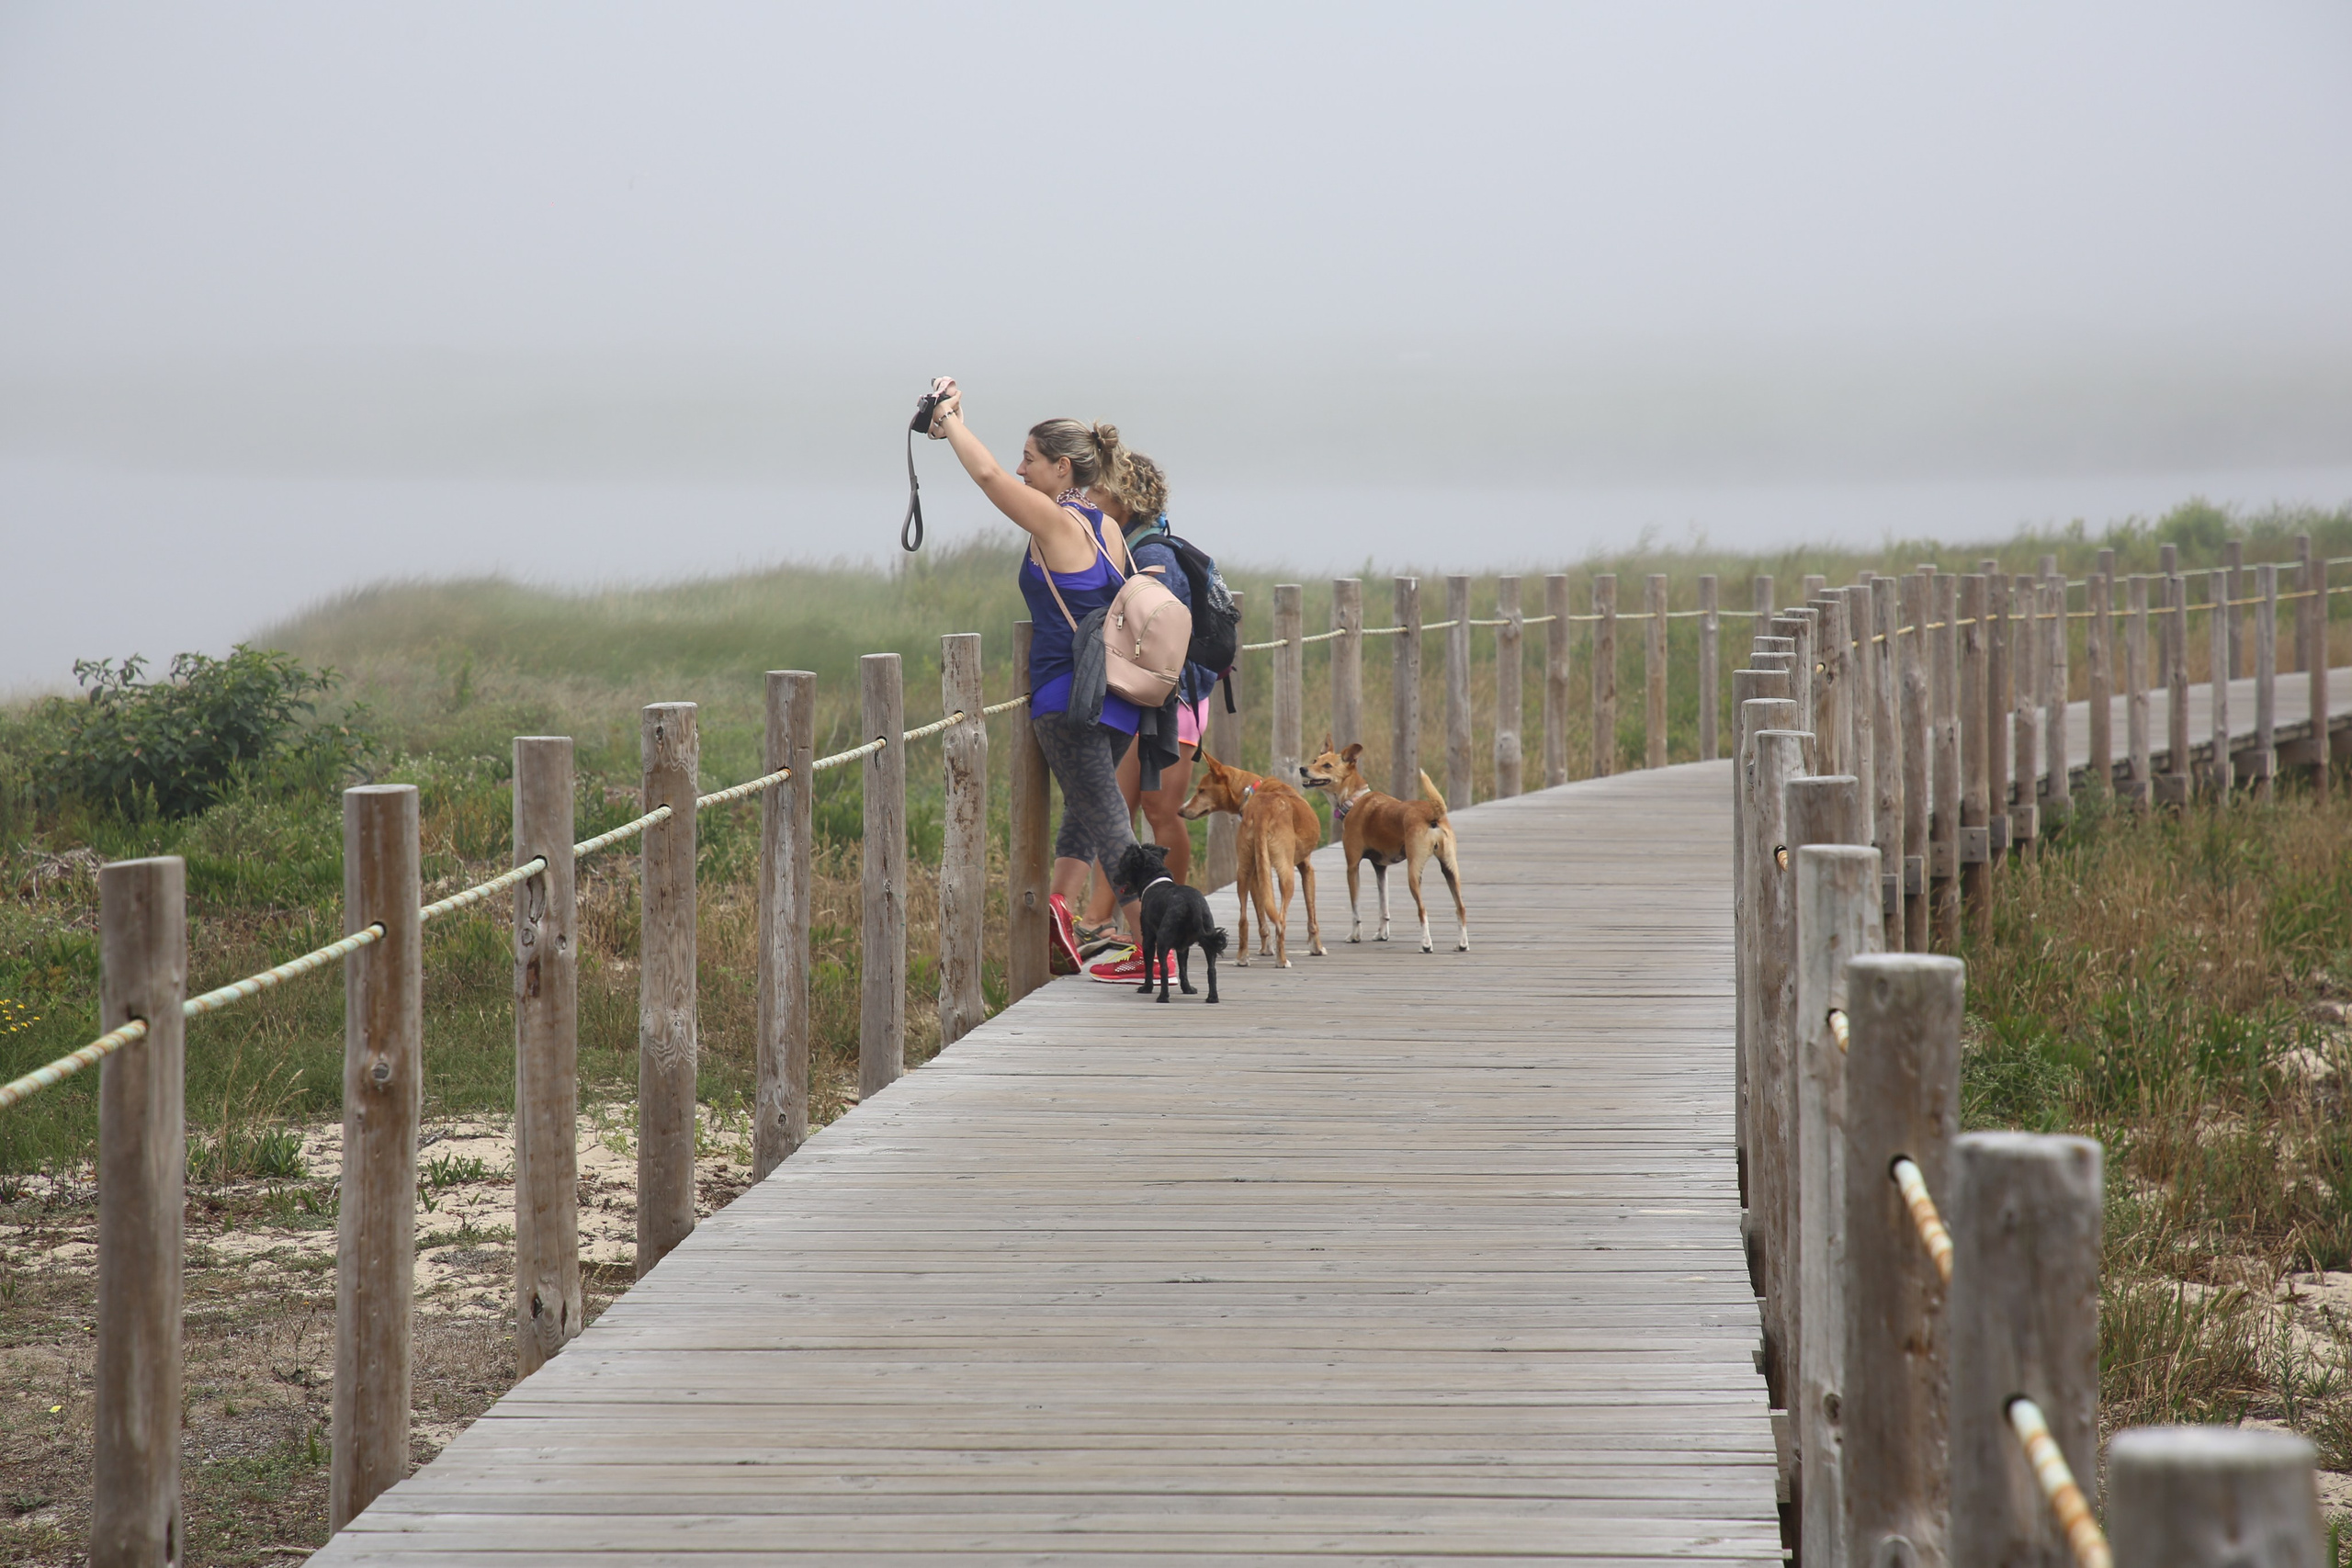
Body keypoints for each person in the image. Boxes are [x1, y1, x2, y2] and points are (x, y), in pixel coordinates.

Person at [922, 377, 1151, 982]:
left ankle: (1156, 947)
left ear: (1060, 468)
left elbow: (990, 478)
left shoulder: (1055, 524)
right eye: (1022, 458)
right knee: (1094, 802)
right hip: (1121, 699)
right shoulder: (1105, 527)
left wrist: (949, 423)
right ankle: (1059, 902)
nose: (1022, 470)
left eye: (1030, 458)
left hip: (1070, 701)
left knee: (1110, 823)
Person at [1075, 452, 1217, 958]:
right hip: (1147, 698)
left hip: (1172, 700)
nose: (1089, 498)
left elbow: (1162, 636)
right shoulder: (1130, 545)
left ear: (1124, 499)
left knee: (1160, 810)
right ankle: (1097, 921)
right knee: (1120, 807)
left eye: (1097, 491)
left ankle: (1171, 926)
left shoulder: (1153, 554)